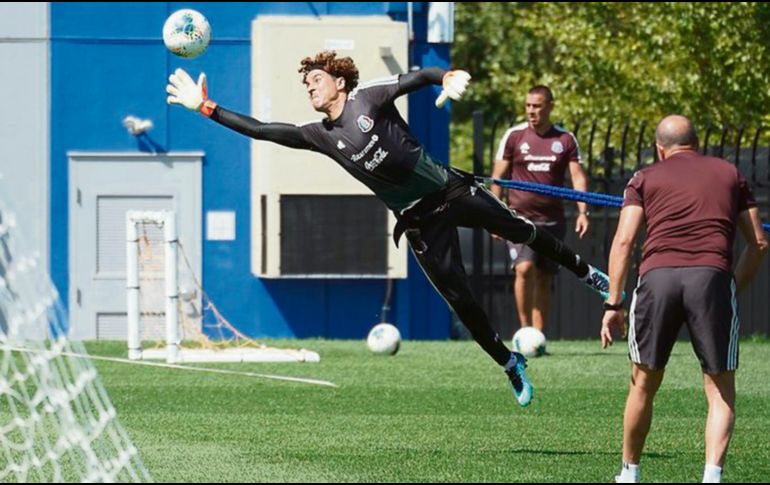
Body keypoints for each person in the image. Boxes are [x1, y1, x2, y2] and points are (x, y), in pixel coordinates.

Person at [166, 50, 614, 408]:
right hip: (419, 220)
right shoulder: (319, 135)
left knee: (524, 231)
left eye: (315, 79)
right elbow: (263, 130)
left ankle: (588, 273)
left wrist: (446, 76)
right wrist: (206, 107)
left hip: (450, 190)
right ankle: (509, 362)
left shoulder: (369, 99)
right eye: (305, 84)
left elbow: (418, 77)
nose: (310, 87)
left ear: (339, 82)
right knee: (459, 296)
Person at [601, 115, 768, 483]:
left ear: (660, 149)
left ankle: (629, 474)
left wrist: (613, 304)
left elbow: (625, 241)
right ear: (697, 143)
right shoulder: (729, 174)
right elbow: (758, 242)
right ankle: (711, 477)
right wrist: (730, 288)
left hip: (657, 279)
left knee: (643, 382)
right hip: (711, 278)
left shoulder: (644, 177)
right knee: (720, 387)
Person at [491, 85, 591, 332]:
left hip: (552, 220)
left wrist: (582, 212)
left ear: (550, 107)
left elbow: (578, 178)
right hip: (520, 219)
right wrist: (494, 216)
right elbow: (497, 178)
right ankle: (524, 332)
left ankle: (538, 335)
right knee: (524, 269)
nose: (531, 111)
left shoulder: (565, 139)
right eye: (528, 106)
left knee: (545, 277)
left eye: (537, 106)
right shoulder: (514, 136)